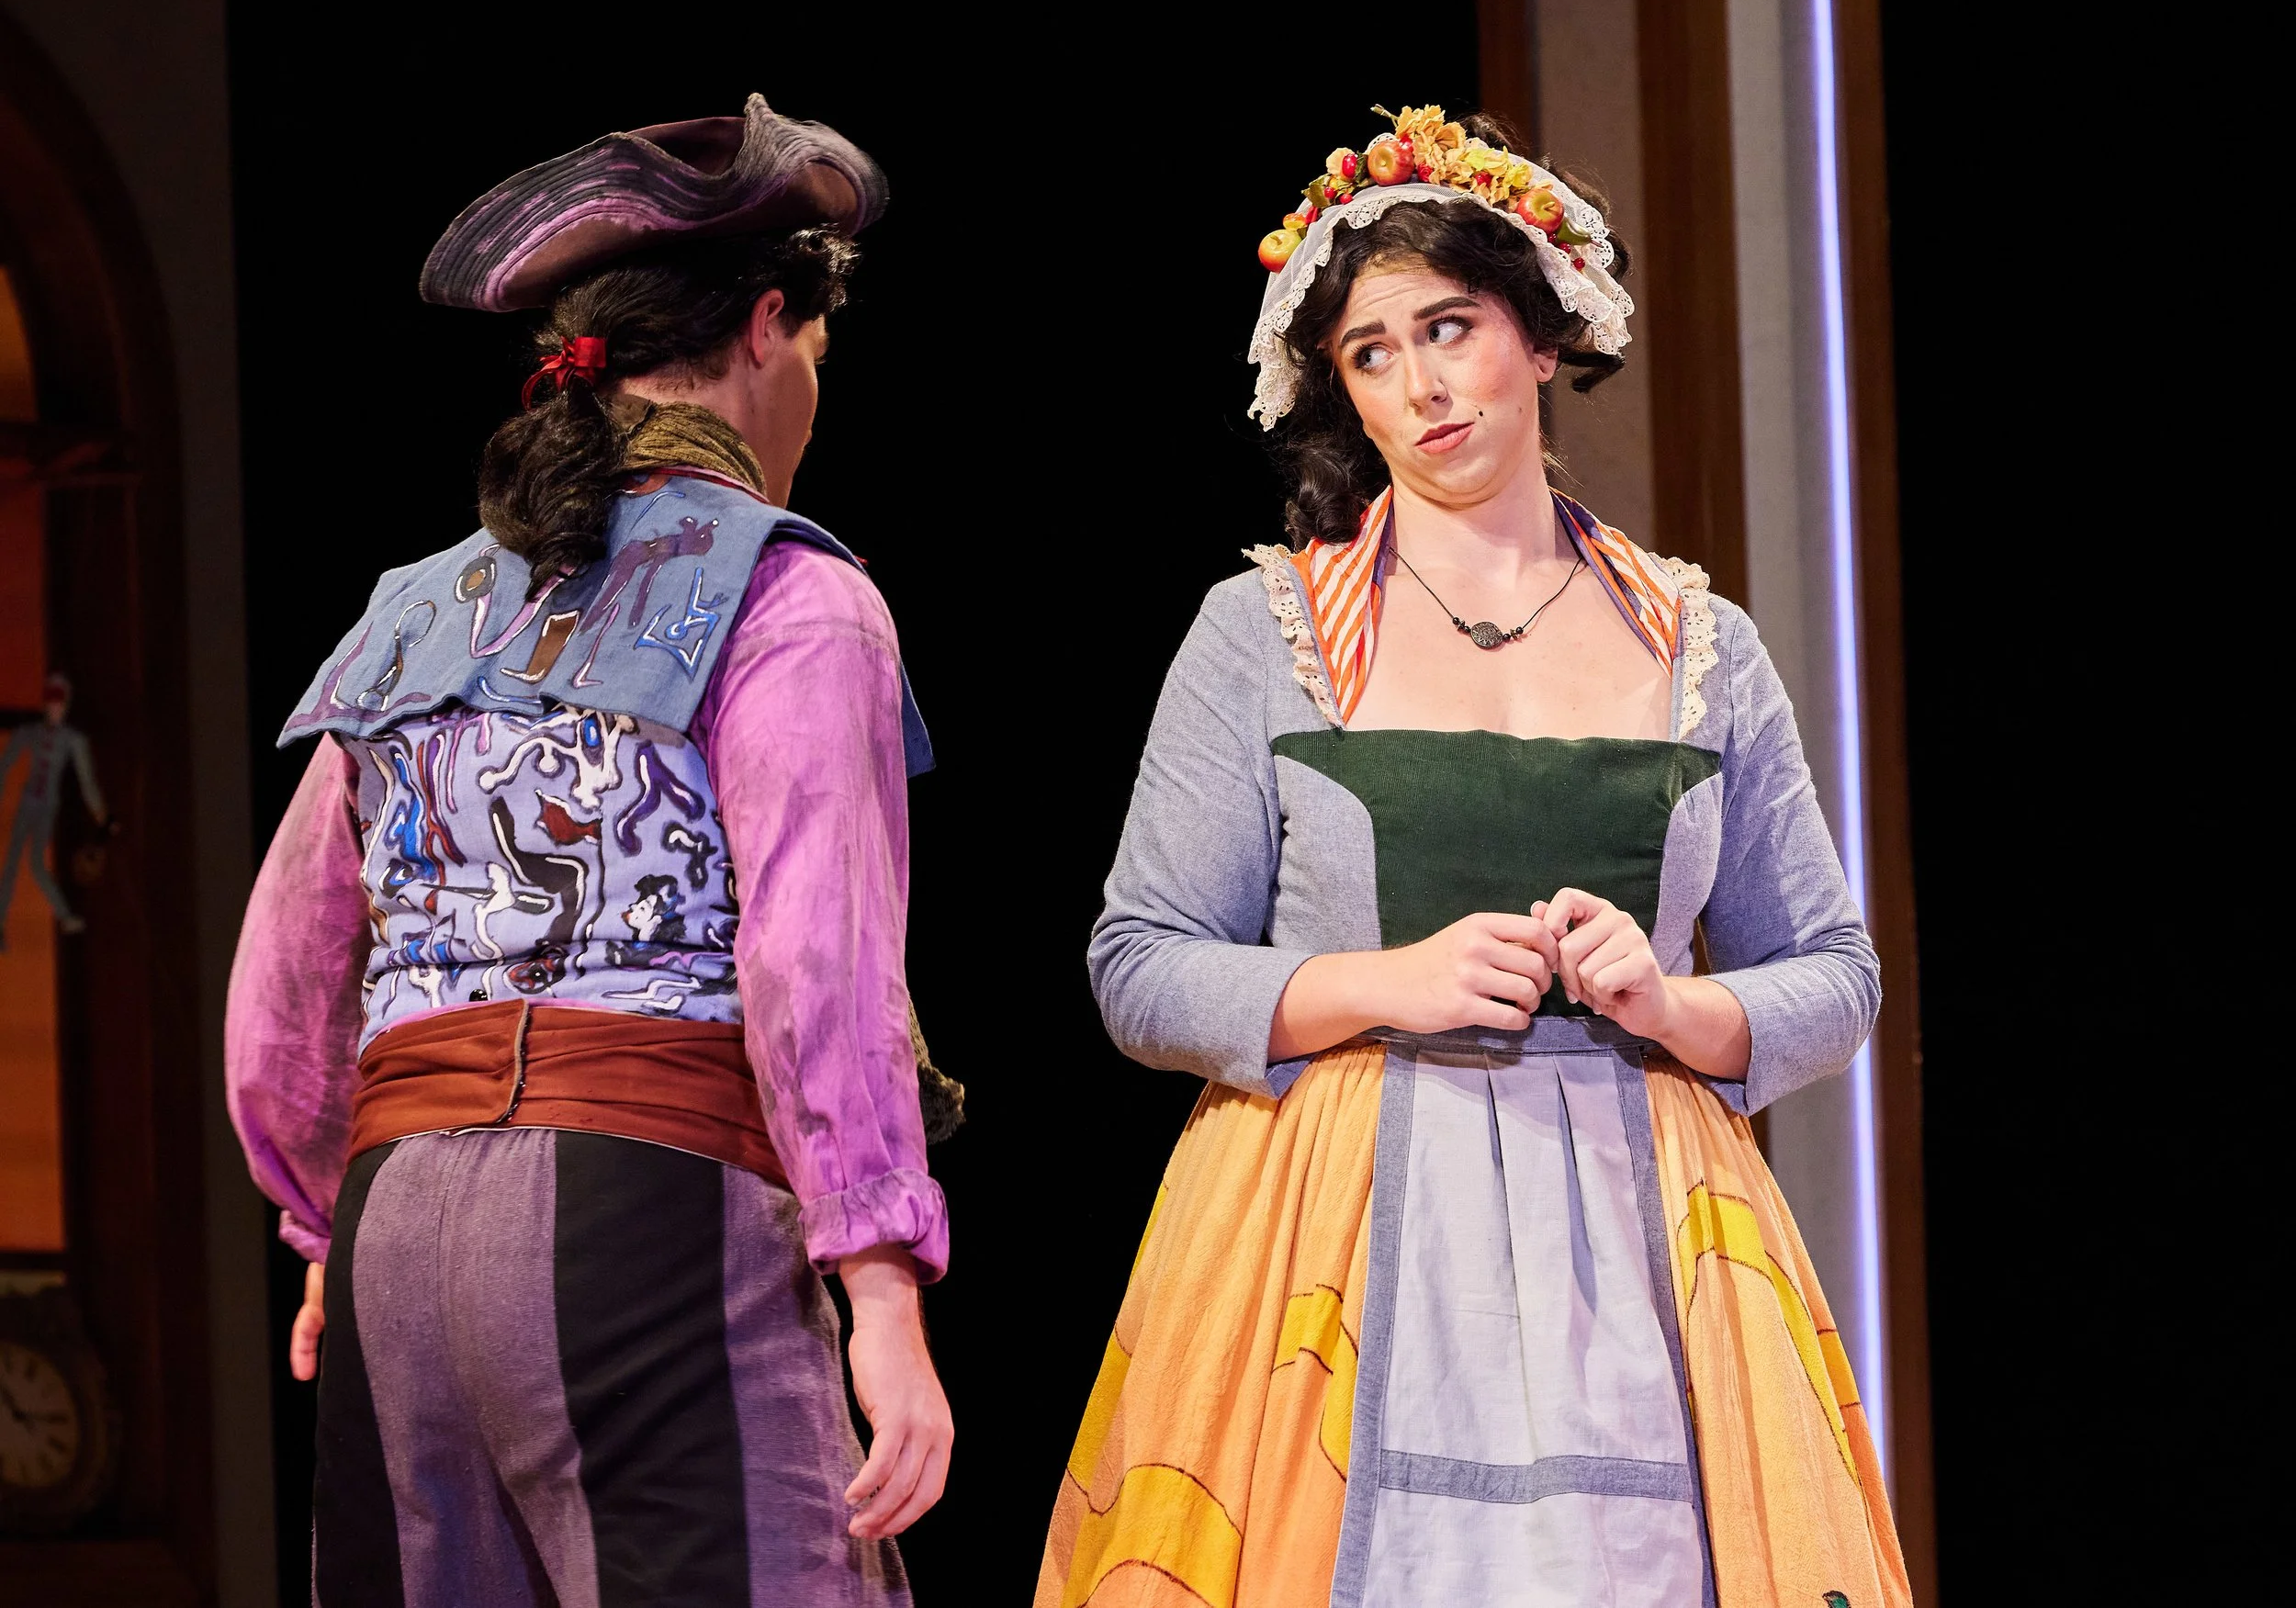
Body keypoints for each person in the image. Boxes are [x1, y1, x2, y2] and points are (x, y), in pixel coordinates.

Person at [1039, 107, 1910, 1607]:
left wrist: (1677, 1008)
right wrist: (1391, 981)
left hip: (1642, 1250)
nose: (1423, 383)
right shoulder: (1265, 635)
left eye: (1452, 326)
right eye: (1373, 352)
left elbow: (1836, 971)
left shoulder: (1699, 643)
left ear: (1543, 333)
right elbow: (1140, 965)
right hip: (1332, 1216)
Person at [226, 96, 952, 1607]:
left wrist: (319, 1225)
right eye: (816, 346)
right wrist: (882, 1286)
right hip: (646, 1204)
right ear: (768, 331)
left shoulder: (416, 610)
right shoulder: (791, 597)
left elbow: (289, 972)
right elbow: (815, 959)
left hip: (398, 1238)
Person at [0, 671, 106, 944]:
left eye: (59, 703)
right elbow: (7, 762)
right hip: (27, 803)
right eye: (50, 702)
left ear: (65, 704)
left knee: (35, 863)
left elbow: (87, 781)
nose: (54, 708)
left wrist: (101, 815)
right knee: (13, 861)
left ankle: (65, 915)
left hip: (47, 807)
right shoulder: (31, 733)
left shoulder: (72, 741)